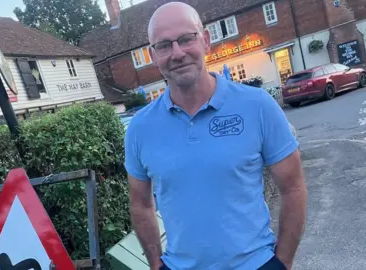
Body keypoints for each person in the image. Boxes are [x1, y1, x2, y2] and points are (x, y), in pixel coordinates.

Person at [124, 2, 307, 270]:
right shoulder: (140, 128)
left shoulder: (257, 106)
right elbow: (140, 205)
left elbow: (293, 187)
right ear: (153, 55)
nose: (177, 53)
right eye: (164, 46)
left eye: (186, 39)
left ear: (206, 41)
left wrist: (283, 263)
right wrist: (155, 265)